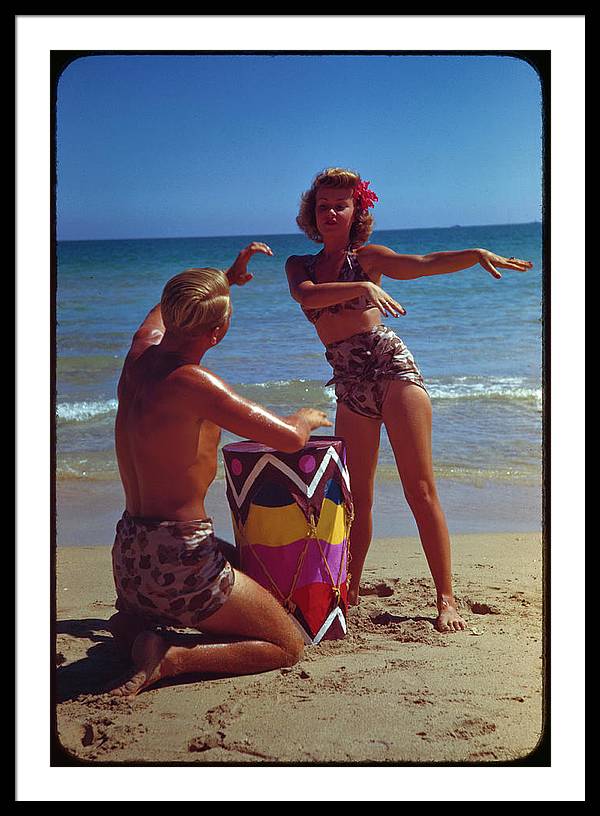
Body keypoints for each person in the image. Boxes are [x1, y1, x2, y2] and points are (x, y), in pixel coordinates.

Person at [285, 168, 533, 631]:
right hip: (349, 381)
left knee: (419, 489)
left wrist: (474, 253)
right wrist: (362, 288)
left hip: (391, 369)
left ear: (357, 212)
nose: (332, 212)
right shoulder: (300, 265)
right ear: (312, 214)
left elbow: (423, 262)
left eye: (342, 204)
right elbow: (308, 296)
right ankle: (350, 585)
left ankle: (446, 598)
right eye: (324, 206)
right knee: (355, 498)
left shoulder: (371, 258)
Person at [107, 242, 332, 697]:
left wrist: (227, 277)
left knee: (243, 561)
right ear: (218, 332)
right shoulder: (195, 384)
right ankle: (173, 658)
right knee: (287, 644)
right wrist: (306, 418)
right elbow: (288, 439)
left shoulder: (138, 356)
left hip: (130, 556)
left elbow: (162, 310)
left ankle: (133, 625)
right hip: (180, 561)